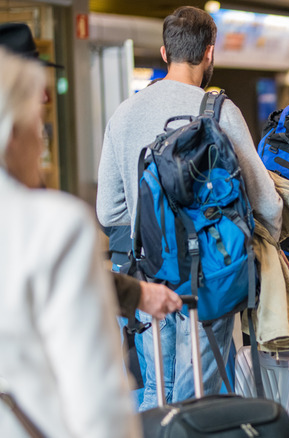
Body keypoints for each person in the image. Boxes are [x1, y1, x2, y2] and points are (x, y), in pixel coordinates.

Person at [96, 6, 283, 410]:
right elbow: (267, 202)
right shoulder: (218, 112)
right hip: (210, 277)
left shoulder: (124, 114)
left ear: (165, 53)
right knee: (200, 395)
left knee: (155, 391)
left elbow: (108, 211)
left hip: (148, 274)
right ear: (210, 53)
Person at [0, 47, 140, 438]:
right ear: (11, 133)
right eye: (38, 124)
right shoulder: (52, 225)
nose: (42, 141)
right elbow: (97, 398)